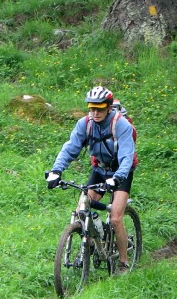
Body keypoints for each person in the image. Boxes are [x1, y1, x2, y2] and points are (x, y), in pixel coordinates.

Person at [46, 86, 137, 274]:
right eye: (92, 108)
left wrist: (117, 178)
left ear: (109, 108)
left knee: (115, 218)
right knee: (82, 208)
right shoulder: (84, 124)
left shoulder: (121, 125)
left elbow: (127, 157)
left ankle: (123, 261)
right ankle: (95, 238)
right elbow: (71, 148)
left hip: (121, 172)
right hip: (99, 170)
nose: (95, 112)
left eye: (100, 108)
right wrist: (56, 171)